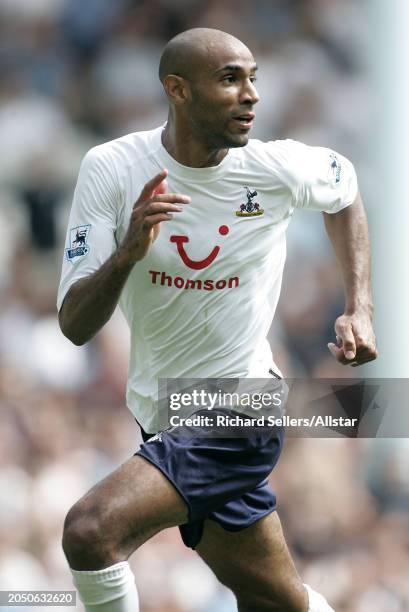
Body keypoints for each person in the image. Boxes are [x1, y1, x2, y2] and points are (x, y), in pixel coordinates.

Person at [57, 28, 377, 612]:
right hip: (164, 412)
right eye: (230, 79)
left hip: (243, 405)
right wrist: (126, 252)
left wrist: (360, 306)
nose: (251, 94)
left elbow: (345, 187)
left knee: (90, 530)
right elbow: (75, 324)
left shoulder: (276, 168)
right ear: (177, 90)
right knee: (274, 599)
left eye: (254, 78)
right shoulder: (112, 169)